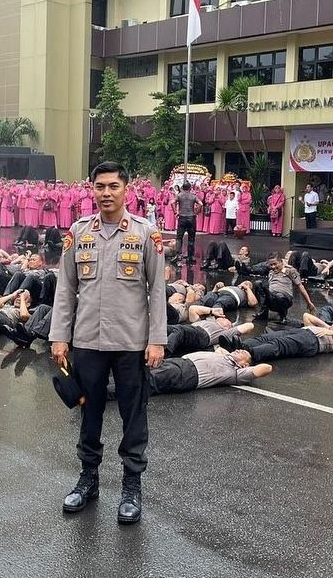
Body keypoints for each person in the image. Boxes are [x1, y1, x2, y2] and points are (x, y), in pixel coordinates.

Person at [49, 161, 167, 524]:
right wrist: (58, 336)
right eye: (100, 186)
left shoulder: (146, 234)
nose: (106, 193)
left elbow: (157, 290)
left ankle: (132, 485)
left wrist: (157, 340)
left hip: (131, 342)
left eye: (113, 186)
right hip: (86, 341)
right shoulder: (79, 232)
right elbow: (66, 288)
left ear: (126, 189)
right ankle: (88, 479)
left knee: (134, 414)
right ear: (92, 189)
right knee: (90, 413)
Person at [118, 349, 272, 397]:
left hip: (186, 374)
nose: (239, 350)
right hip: (178, 363)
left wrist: (243, 366)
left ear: (244, 364)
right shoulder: (223, 355)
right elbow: (220, 349)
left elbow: (266, 368)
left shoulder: (235, 373)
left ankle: (98, 393)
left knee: (139, 383)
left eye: (243, 353)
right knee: (135, 370)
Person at [219, 319, 333, 362]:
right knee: (266, 338)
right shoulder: (327, 328)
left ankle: (249, 354)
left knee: (279, 345)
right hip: (302, 331)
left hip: (312, 342)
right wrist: (327, 327)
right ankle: (238, 347)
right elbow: (307, 316)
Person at [253, 252, 316, 323]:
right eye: (271, 265)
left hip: (284, 299)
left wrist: (309, 302)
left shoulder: (290, 270)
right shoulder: (271, 272)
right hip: (272, 298)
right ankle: (264, 313)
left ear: (281, 262)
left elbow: (300, 286)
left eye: (275, 264)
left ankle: (283, 315)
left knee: (280, 296)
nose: (273, 267)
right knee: (257, 284)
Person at [171, 181, 202, 265]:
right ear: (190, 188)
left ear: (182, 188)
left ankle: (178, 255)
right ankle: (190, 256)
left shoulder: (179, 195)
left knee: (179, 238)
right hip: (191, 218)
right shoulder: (193, 196)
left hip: (182, 218)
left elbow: (172, 202)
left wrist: (175, 212)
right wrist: (196, 212)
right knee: (191, 238)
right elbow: (200, 204)